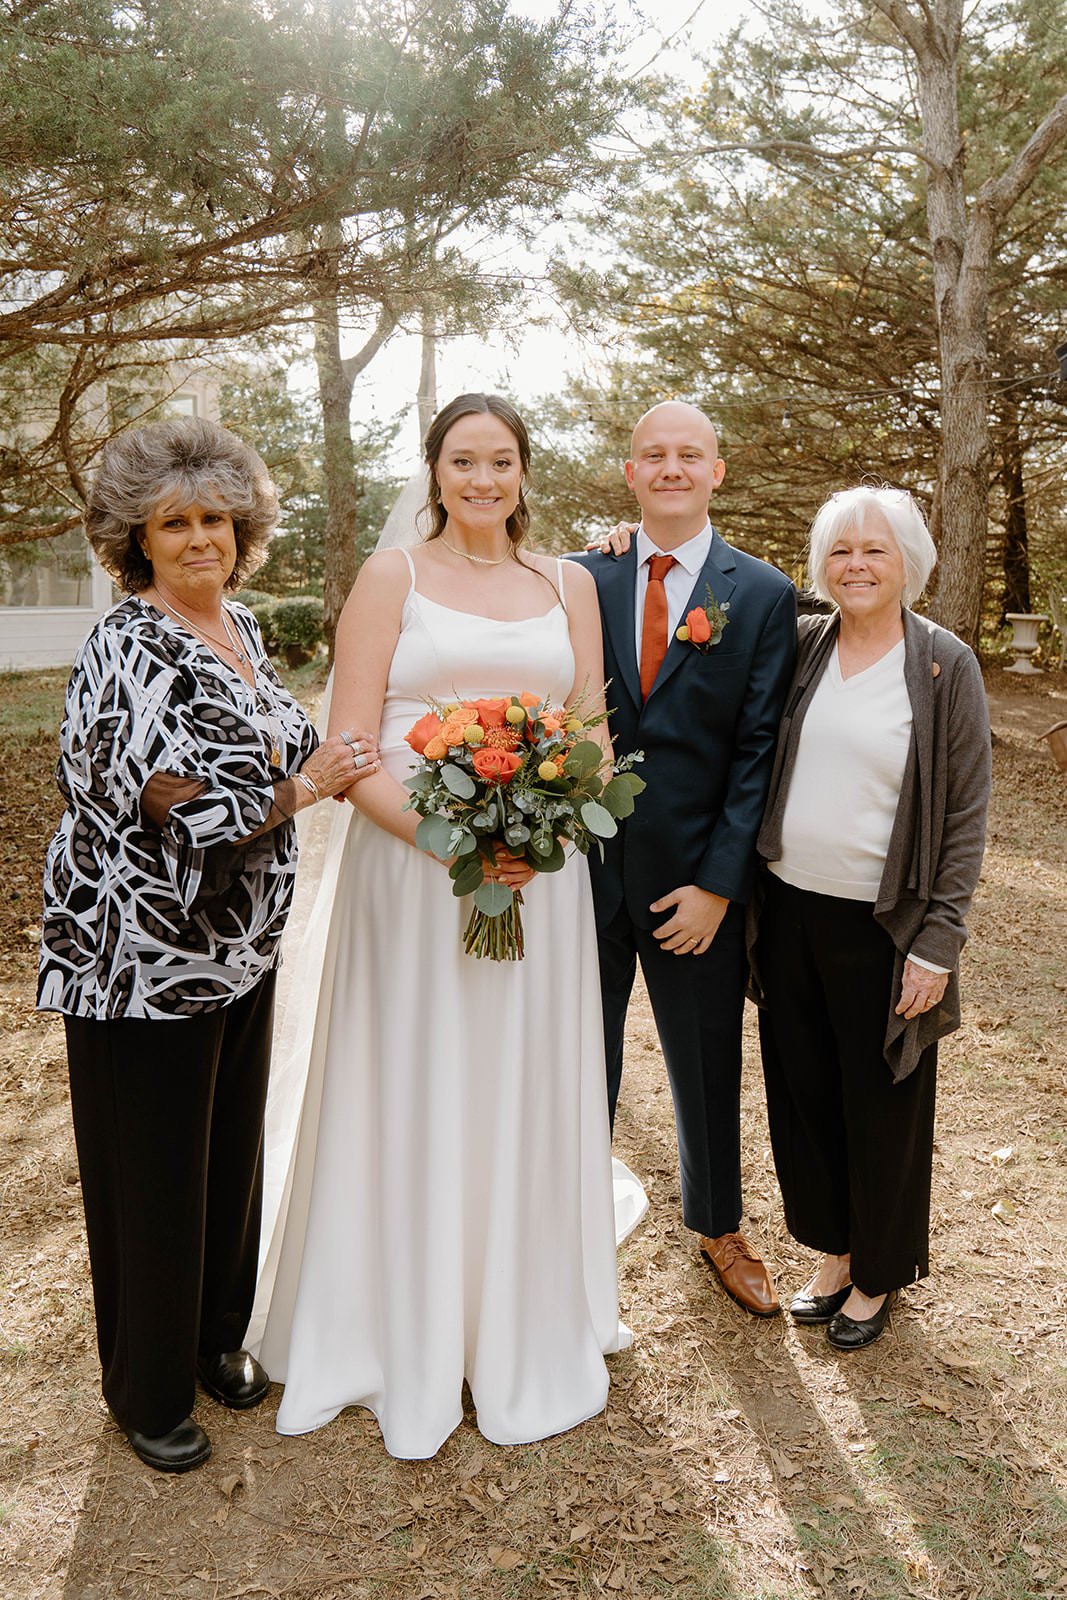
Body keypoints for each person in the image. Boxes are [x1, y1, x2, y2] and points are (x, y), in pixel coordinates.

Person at [252, 393, 637, 1460]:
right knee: (416, 1074)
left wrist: (542, 828)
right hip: (414, 876)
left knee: (516, 1076)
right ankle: (398, 1320)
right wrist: (448, 842)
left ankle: (519, 1311)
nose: (482, 479)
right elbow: (353, 735)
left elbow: (595, 731)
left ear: (524, 472)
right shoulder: (393, 578)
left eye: (500, 461)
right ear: (433, 471)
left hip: (538, 877)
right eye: (462, 460)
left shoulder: (567, 583)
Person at [37, 416, 379, 1473]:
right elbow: (177, 806)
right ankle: (145, 1390)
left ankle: (215, 1341)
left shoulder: (238, 625)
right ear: (135, 537)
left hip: (235, 948)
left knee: (226, 1156)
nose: (199, 540)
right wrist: (305, 786)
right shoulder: (128, 642)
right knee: (152, 1174)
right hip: (139, 954)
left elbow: (271, 733)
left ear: (243, 526)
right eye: (173, 522)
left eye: (215, 520)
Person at [751, 485, 991, 1349]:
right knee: (803, 1094)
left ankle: (879, 1274)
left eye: (874, 550)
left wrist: (938, 942)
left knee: (882, 1103)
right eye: (840, 550)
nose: (855, 564)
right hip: (784, 913)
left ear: (907, 563)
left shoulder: (941, 664)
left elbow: (964, 814)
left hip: (884, 928)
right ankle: (833, 1254)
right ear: (821, 564)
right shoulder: (803, 645)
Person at [574, 401, 797, 1317]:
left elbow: (756, 753)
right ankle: (564, 1220)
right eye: (652, 455)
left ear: (717, 470)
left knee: (704, 1059)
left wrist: (716, 885)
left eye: (688, 454)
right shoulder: (583, 576)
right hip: (579, 869)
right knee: (574, 1055)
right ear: (629, 473)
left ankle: (719, 1226)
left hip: (694, 881)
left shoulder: (761, 593)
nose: (670, 467)